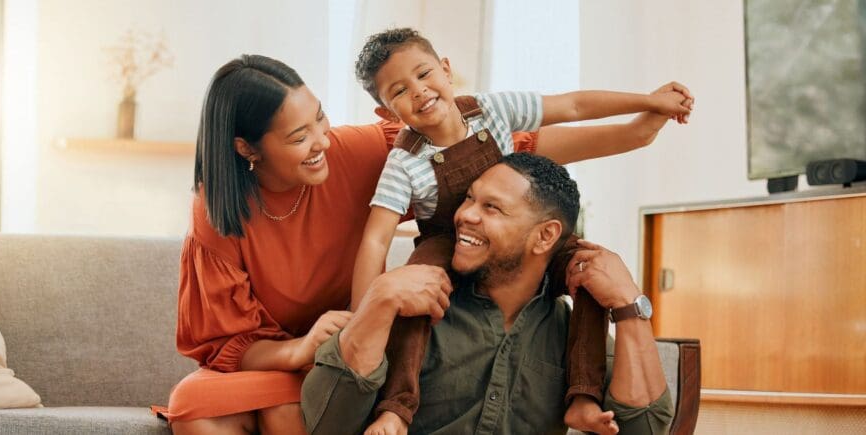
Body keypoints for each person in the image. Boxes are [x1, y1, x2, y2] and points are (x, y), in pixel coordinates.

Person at [153, 54, 679, 435]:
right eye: (298, 138)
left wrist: (636, 132)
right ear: (247, 149)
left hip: (356, 349)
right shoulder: (217, 214)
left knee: (290, 413)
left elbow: (499, 157)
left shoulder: (359, 152)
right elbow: (224, 343)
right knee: (197, 404)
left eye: (320, 118)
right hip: (294, 354)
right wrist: (304, 345)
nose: (321, 142)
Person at [347, 28, 692, 435]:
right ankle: (396, 407)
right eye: (400, 91)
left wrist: (650, 101)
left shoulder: (493, 110)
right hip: (446, 241)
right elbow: (375, 239)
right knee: (413, 300)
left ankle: (583, 397)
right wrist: (362, 315)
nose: (419, 91)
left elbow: (575, 105)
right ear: (387, 114)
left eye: (423, 74)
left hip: (517, 226)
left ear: (445, 68)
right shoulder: (404, 162)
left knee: (591, 269)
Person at [303, 152, 674, 435]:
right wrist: (380, 298)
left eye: (491, 208)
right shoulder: (413, 309)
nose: (466, 215)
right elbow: (327, 424)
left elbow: (645, 428)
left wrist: (629, 305)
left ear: (545, 236)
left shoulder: (573, 335)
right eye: (468, 198)